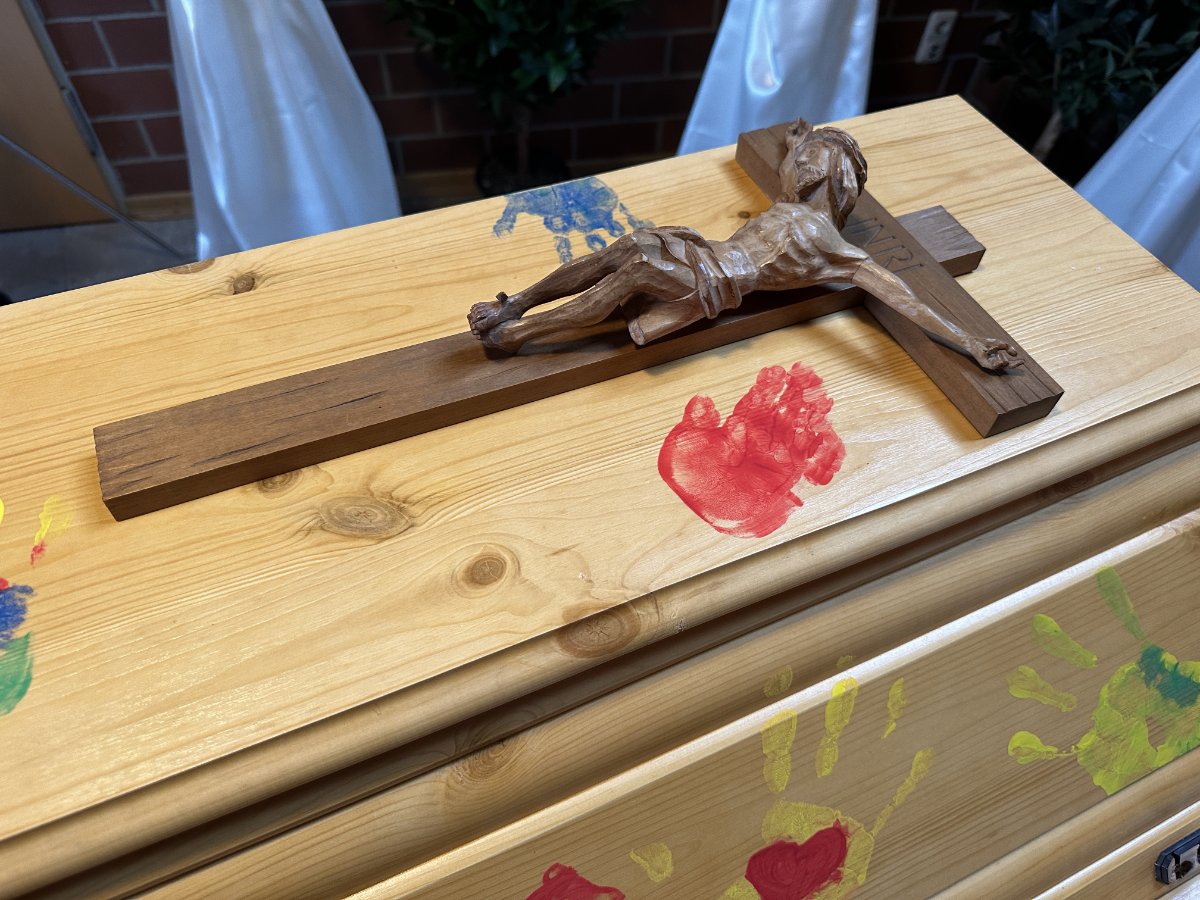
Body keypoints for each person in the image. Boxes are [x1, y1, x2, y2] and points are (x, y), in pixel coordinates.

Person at [468, 119, 1022, 371]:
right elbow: (789, 168)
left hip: (720, 280)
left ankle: (521, 335)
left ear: (833, 172)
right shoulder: (790, 202)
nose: (802, 161)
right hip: (704, 251)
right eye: (806, 154)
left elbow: (903, 295)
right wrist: (797, 140)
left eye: (815, 155)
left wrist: (969, 340)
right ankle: (515, 304)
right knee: (629, 244)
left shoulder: (837, 249)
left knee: (636, 270)